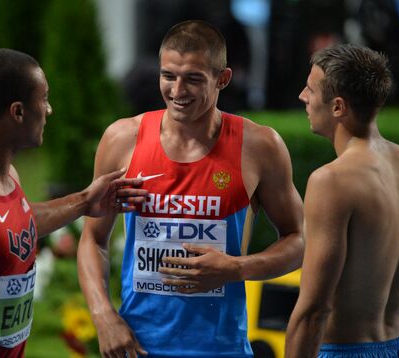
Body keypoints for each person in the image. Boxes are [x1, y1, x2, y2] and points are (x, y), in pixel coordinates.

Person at [78, 20, 304, 357]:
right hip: (138, 347)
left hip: (221, 347)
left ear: (222, 79)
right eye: (168, 75)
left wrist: (237, 268)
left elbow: (298, 240)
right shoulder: (122, 139)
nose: (177, 90)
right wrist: (103, 316)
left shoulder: (259, 146)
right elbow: (93, 238)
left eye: (193, 78)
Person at [0, 48, 147, 357]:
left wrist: (85, 201)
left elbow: (14, 225)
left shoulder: (7, 178)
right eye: (43, 99)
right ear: (18, 112)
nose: (49, 110)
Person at [285, 44, 399, 357]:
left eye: (310, 89)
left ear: (338, 107)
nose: (303, 96)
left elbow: (314, 311)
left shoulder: (331, 180)